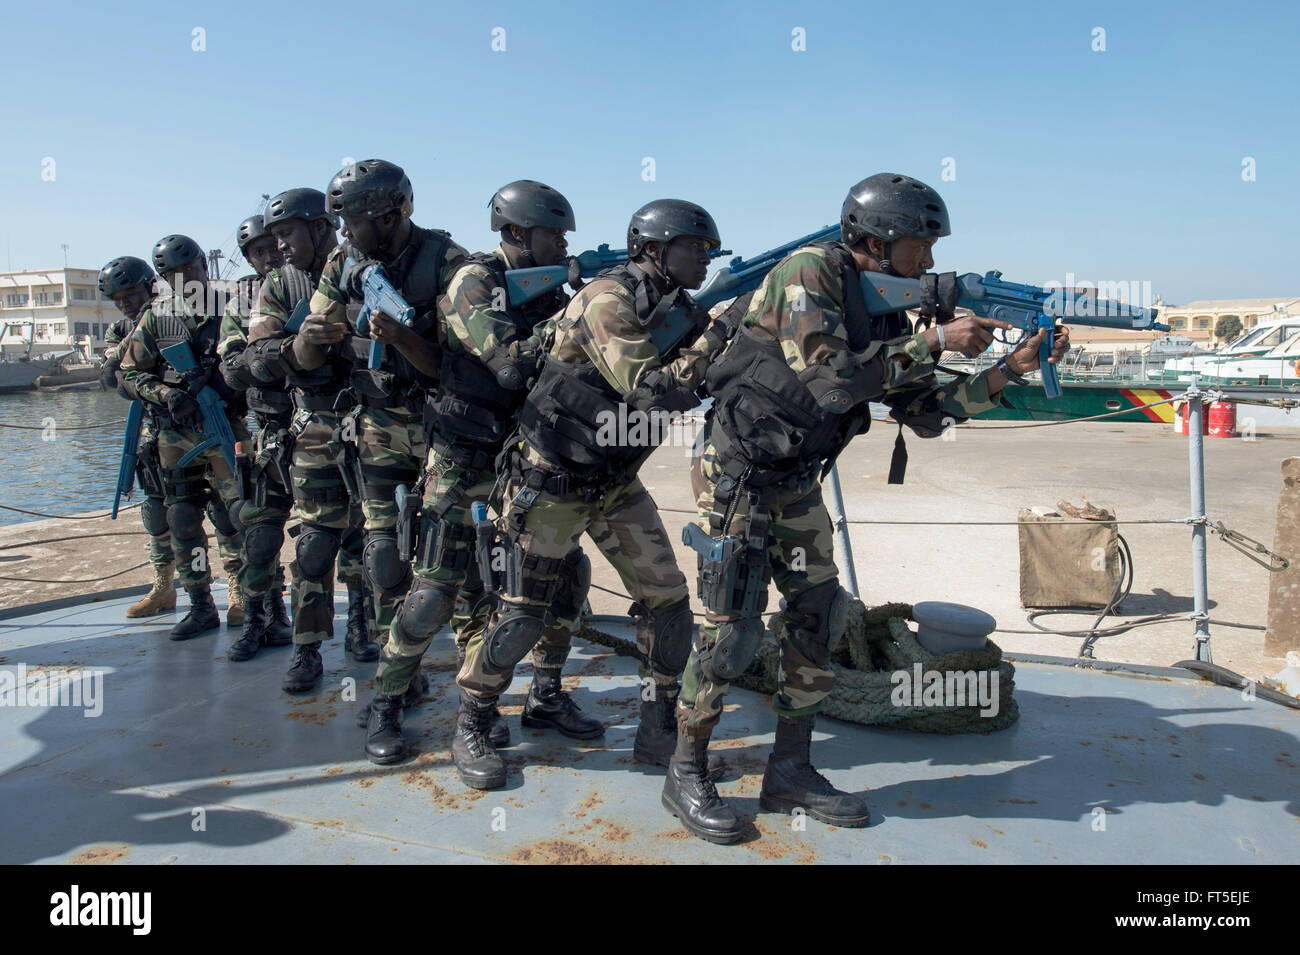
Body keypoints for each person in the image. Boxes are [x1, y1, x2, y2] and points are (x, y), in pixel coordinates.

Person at [662, 172, 1071, 844]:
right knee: (730, 628)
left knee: (816, 613)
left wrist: (1011, 368)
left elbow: (928, 411)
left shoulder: (887, 309)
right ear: (874, 240)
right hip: (738, 472)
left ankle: (790, 766)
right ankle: (686, 769)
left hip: (794, 478)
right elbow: (832, 382)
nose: (930, 264)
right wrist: (936, 340)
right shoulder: (809, 273)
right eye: (919, 248)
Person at [450, 199, 734, 790]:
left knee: (669, 605)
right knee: (522, 616)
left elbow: (701, 381)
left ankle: (658, 728)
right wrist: (719, 337)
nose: (706, 260)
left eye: (710, 251)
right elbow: (652, 392)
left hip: (613, 482)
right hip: (550, 477)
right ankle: (474, 719)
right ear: (654, 249)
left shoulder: (677, 310)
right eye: (695, 248)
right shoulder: (609, 300)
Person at [363, 180, 602, 771]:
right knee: (434, 592)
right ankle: (386, 703)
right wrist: (581, 317)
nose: (564, 243)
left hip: (527, 460)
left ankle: (544, 696)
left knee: (563, 578)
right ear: (517, 233)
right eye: (555, 234)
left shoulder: (552, 291)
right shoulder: (475, 283)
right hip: (464, 457)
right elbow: (512, 365)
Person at [288, 161, 468, 694]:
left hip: (442, 422)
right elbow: (303, 358)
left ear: (388, 216)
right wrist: (312, 337)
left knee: (454, 551)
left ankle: (474, 682)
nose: (343, 235)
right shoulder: (345, 262)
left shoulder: (448, 262)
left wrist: (401, 335)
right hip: (378, 426)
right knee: (384, 553)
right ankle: (400, 677)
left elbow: (455, 367)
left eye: (352, 222)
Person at [244, 187, 381, 690]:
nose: (278, 245)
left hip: (375, 424)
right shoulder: (280, 284)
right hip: (316, 425)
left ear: (320, 227)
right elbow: (260, 350)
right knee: (315, 543)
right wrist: (303, 346)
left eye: (286, 233)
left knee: (371, 539)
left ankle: (363, 626)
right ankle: (306, 648)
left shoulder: (364, 265)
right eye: (273, 236)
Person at [120, 235, 249, 639]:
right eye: (173, 274)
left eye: (189, 270)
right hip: (175, 435)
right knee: (182, 519)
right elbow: (128, 373)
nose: (184, 279)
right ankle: (200, 604)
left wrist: (232, 379)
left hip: (229, 426)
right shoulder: (158, 317)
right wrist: (166, 394)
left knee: (240, 516)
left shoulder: (234, 306)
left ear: (204, 268)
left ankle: (245, 591)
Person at [217, 214, 294, 660]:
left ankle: (343, 626)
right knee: (259, 528)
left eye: (273, 246)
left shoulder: (310, 281)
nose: (269, 256)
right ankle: (261, 616)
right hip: (267, 426)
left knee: (335, 531)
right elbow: (231, 362)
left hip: (320, 421)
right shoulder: (240, 300)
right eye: (258, 252)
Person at [99, 255, 174, 619]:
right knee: (156, 513)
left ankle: (240, 594)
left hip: (196, 427)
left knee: (222, 513)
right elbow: (112, 377)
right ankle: (164, 587)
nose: (125, 303)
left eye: (131, 294)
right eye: (118, 299)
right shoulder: (121, 332)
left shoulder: (173, 317)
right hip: (154, 431)